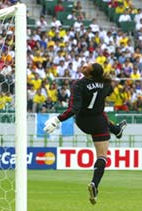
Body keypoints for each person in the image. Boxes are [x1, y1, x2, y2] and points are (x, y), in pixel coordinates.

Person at [43, 63, 127, 205]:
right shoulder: (105, 83)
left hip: (83, 121)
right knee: (102, 156)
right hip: (99, 122)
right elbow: (109, 92)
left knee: (100, 111)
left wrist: (57, 120)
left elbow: (74, 108)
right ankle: (95, 183)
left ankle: (116, 130)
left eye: (87, 66)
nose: (84, 65)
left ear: (89, 73)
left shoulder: (79, 84)